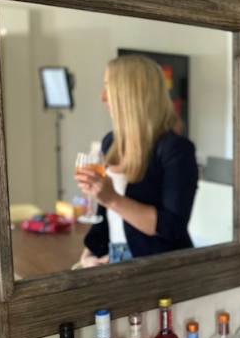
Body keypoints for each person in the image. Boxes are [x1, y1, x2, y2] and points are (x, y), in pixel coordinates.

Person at [75, 54, 198, 267]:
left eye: (109, 87)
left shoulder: (176, 149)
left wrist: (111, 198)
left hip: (159, 267)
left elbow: (172, 227)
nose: (102, 97)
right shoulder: (110, 141)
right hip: (115, 257)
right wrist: (88, 255)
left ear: (132, 93)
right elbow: (106, 216)